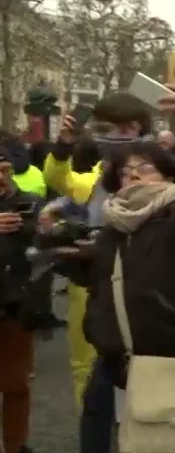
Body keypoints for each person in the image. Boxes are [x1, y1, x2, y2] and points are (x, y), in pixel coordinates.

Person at [55, 85, 175, 450]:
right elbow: (106, 280)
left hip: (171, 367)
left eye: (145, 168)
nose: (132, 175)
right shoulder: (115, 228)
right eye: (125, 172)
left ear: (169, 176)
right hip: (114, 365)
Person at [42, 92, 153, 413]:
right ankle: (91, 422)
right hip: (89, 286)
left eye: (113, 129)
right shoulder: (92, 177)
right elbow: (59, 178)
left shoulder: (161, 177)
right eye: (101, 129)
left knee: (136, 360)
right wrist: (63, 146)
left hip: (137, 286)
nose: (105, 137)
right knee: (85, 364)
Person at [0, 145, 43, 453]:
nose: (0, 177)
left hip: (15, 305)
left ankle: (16, 446)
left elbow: (44, 239)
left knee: (16, 385)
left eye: (4, 170)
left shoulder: (28, 203)